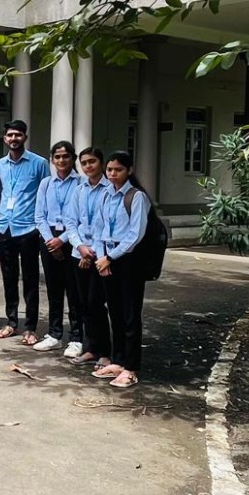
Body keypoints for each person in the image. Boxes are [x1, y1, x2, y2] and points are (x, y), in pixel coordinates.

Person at [91, 151, 150, 389]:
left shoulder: (136, 197)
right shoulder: (105, 194)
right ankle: (118, 360)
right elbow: (98, 229)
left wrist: (110, 258)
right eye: (110, 170)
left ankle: (131, 367)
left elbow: (135, 234)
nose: (113, 174)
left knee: (130, 314)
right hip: (106, 258)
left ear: (129, 170)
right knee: (114, 311)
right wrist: (101, 257)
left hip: (128, 260)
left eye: (118, 170)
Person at [0, 119, 49, 345]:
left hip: (28, 229)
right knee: (8, 278)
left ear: (25, 137)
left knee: (30, 279)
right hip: (4, 227)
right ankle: (11, 322)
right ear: (4, 138)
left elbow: (45, 196)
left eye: (18, 135)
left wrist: (42, 227)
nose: (13, 139)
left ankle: (31, 327)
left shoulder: (39, 163)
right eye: (10, 135)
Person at [32, 140, 85, 356]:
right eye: (57, 157)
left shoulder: (81, 183)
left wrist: (61, 240)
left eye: (66, 156)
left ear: (73, 159)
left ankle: (76, 338)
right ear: (52, 160)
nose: (61, 160)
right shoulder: (46, 183)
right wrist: (50, 241)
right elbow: (39, 216)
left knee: (74, 291)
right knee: (53, 289)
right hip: (48, 238)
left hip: (73, 239)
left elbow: (82, 217)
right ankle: (54, 334)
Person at [65, 146, 112, 371]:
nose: (88, 166)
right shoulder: (79, 190)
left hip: (101, 256)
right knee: (82, 303)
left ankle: (105, 352)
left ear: (101, 163)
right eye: (84, 163)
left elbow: (107, 224)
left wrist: (91, 252)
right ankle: (91, 348)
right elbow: (71, 222)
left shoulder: (110, 189)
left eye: (92, 161)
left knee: (96, 303)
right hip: (79, 253)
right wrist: (80, 247)